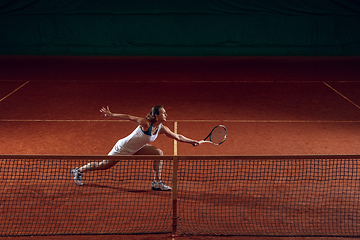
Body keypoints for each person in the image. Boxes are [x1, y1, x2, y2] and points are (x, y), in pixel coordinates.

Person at [72, 105, 199, 191]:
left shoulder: (162, 128)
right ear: (155, 115)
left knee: (158, 153)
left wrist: (192, 141)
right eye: (163, 113)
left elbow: (178, 136)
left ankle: (157, 182)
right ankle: (78, 170)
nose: (166, 114)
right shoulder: (145, 123)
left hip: (137, 148)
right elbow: (129, 117)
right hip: (122, 149)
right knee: (104, 165)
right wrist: (111, 114)